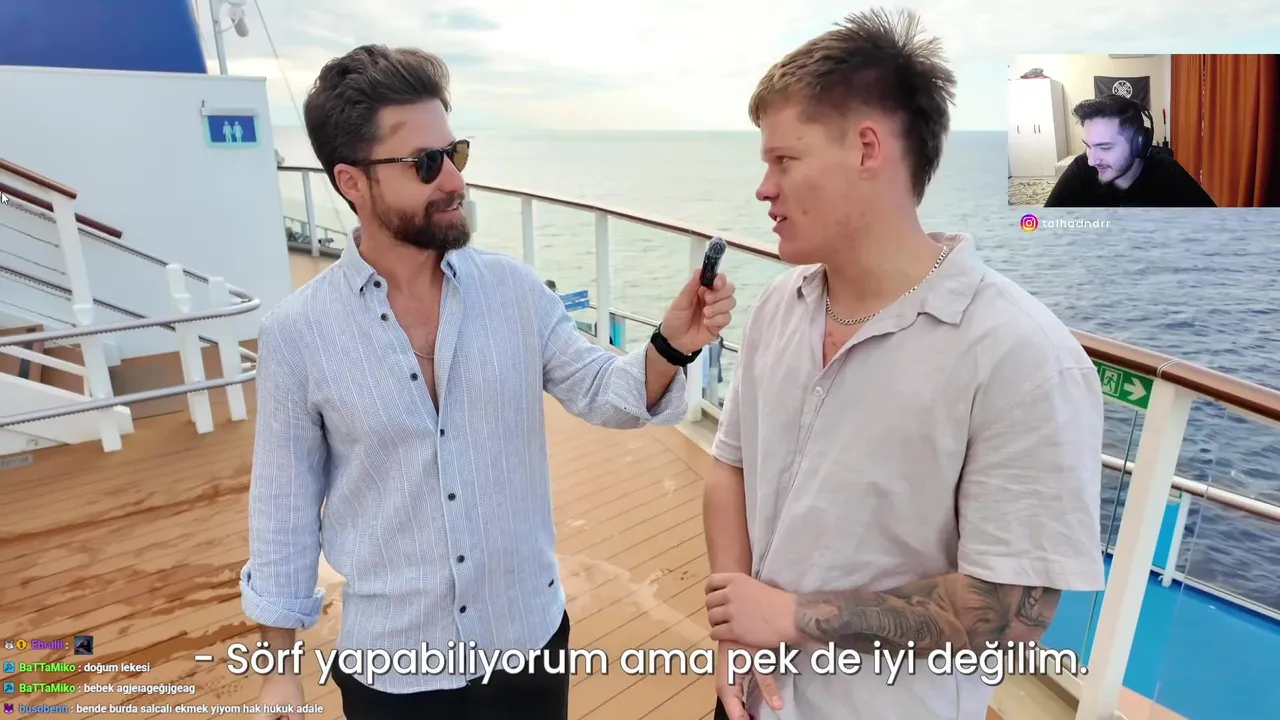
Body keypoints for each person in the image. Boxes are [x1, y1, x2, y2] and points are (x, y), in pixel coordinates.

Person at [240, 44, 736, 720]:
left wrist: (672, 343)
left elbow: (606, 392)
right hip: (396, 668)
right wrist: (278, 673)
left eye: (456, 153)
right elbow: (283, 510)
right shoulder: (297, 334)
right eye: (425, 163)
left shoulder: (516, 292)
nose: (454, 180)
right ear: (352, 182)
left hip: (528, 646)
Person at [701, 9, 1106, 720]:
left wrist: (790, 616)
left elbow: (1014, 616)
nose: (764, 187)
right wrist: (738, 627)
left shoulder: (1022, 357)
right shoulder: (779, 308)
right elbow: (730, 466)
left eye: (784, 160)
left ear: (866, 148)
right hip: (751, 699)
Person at [1043, 94, 1216, 207]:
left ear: (1139, 143)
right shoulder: (1081, 169)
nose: (1091, 160)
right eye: (1088, 146)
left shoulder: (1168, 173)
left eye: (1105, 147)